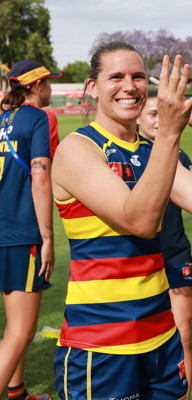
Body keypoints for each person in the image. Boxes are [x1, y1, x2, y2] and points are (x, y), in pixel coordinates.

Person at [51, 41, 192, 400]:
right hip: (102, 346)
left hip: (162, 336)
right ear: (93, 88)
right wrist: (170, 133)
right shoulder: (77, 148)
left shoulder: (149, 151)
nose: (130, 86)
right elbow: (141, 221)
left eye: (138, 77)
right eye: (116, 77)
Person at [0, 60, 61, 400]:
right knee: (21, 331)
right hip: (21, 234)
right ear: (37, 87)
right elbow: (40, 177)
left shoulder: (2, 119)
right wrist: (48, 236)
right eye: (48, 83)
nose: (50, 89)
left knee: (15, 325)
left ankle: (18, 392)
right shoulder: (38, 118)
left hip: (4, 230)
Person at [136, 89, 192, 399]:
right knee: (140, 345)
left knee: (183, 333)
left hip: (174, 256)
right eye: (152, 114)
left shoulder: (179, 156)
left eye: (163, 113)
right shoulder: (125, 154)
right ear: (137, 118)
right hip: (137, 262)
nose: (160, 121)